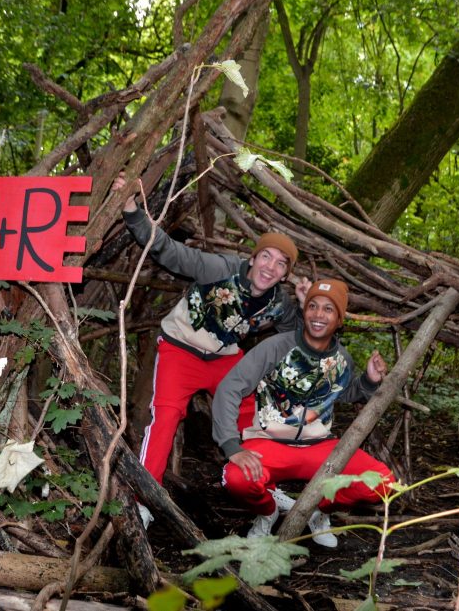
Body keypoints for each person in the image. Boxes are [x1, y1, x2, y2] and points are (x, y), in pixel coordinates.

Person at [112, 174, 311, 528]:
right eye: (266, 257)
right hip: (180, 349)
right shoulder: (220, 269)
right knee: (167, 416)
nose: (270, 266)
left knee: (253, 413)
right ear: (253, 259)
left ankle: (266, 483)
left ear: (285, 275)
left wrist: (303, 307)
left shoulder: (279, 301)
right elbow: (171, 253)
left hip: (223, 359)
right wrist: (132, 211)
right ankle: (144, 498)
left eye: (281, 264)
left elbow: (293, 337)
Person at [211, 278, 395, 547]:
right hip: (269, 442)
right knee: (236, 478)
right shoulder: (276, 347)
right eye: (313, 306)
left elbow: (343, 393)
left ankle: (318, 511)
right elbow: (230, 388)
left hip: (319, 446)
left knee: (383, 483)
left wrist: (368, 381)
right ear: (305, 310)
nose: (319, 315)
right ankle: (267, 513)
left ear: (339, 320)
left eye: (328, 309)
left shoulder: (341, 358)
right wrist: (231, 445)